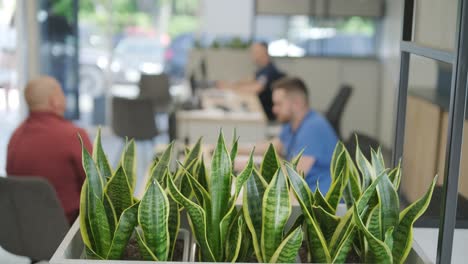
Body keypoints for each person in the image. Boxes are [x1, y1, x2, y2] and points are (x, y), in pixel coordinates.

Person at [6, 76, 92, 224]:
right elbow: (95, 186)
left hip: (22, 228)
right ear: (55, 101)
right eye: (61, 93)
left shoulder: (15, 136)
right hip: (67, 231)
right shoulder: (74, 135)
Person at [237, 77, 338, 194]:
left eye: (278, 104)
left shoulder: (313, 128)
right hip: (301, 193)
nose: (274, 109)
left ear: (296, 104)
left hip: (318, 202)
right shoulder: (292, 123)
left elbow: (293, 176)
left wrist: (248, 167)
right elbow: (273, 147)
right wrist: (234, 149)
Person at [217, 42, 285, 120]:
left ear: (264, 52)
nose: (252, 55)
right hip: (258, 108)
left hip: (265, 112)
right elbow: (249, 80)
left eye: (255, 52)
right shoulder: (262, 69)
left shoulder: (270, 71)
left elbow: (255, 89)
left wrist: (229, 88)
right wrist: (230, 84)